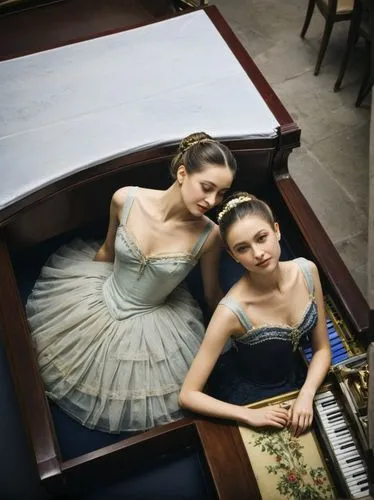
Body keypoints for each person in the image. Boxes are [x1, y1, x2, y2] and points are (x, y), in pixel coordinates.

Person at [26, 132, 237, 434]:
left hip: (152, 322)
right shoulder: (125, 199)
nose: (212, 201)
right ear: (182, 173)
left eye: (221, 194)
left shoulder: (210, 235)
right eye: (207, 188)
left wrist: (234, 333)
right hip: (103, 292)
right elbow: (108, 251)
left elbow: (212, 292)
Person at [179, 192, 331, 437]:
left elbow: (322, 349)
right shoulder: (230, 312)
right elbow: (188, 395)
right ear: (232, 255)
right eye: (243, 248)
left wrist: (307, 392)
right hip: (254, 395)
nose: (258, 253)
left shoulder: (307, 270)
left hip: (303, 379)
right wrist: (249, 414)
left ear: (277, 231)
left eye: (262, 238)